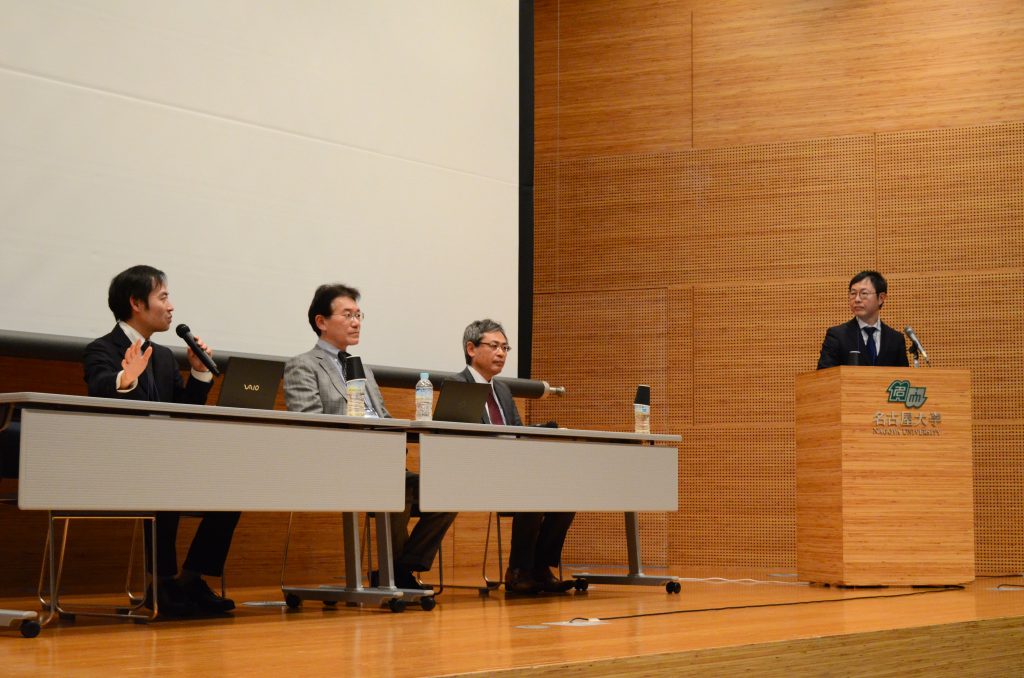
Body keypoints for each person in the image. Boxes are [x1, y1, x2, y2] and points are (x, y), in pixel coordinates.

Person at [82, 265, 239, 616]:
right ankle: (162, 582)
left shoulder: (165, 356)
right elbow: (99, 386)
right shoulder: (102, 349)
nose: (171, 307)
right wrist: (126, 378)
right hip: (122, 464)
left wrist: (199, 371)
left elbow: (184, 414)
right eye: (163, 297)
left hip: (165, 460)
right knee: (166, 474)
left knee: (234, 485)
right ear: (137, 303)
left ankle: (191, 579)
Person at [283, 283, 455, 590]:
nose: (356, 322)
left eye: (359, 314)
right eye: (347, 314)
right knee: (397, 485)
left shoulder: (363, 369)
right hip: (338, 464)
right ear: (321, 321)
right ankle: (394, 576)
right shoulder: (303, 365)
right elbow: (308, 424)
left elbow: (384, 417)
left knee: (448, 488)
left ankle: (401, 568)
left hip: (382, 461)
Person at [448, 319, 575, 594]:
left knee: (567, 492)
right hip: (477, 474)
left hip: (511, 471)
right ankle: (517, 572)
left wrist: (539, 433)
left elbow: (517, 436)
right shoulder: (458, 385)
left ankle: (540, 569)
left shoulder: (502, 390)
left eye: (505, 347)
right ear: (471, 348)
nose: (501, 353)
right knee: (533, 489)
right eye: (494, 346)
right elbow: (457, 446)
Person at [817, 270, 910, 369]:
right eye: (853, 293)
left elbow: (903, 380)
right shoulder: (837, 336)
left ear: (881, 298)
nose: (857, 299)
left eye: (864, 293)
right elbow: (824, 375)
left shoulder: (895, 339)